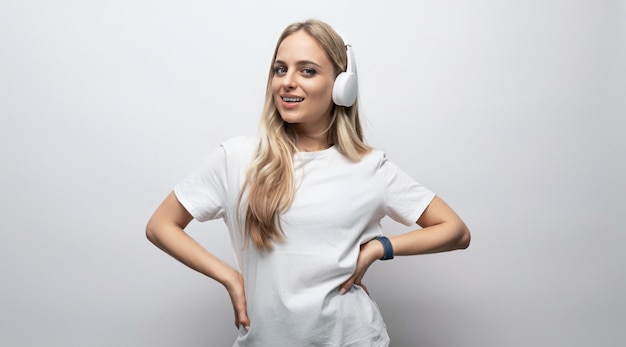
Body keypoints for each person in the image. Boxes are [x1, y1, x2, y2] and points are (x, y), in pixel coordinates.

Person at [146, 19, 470, 347]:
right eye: (280, 69)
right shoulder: (237, 158)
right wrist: (230, 277)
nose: (288, 82)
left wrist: (380, 248)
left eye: (307, 71)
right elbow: (161, 225)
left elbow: (455, 231)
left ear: (343, 85)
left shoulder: (370, 167)